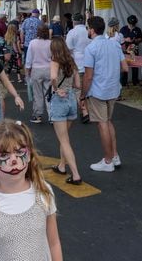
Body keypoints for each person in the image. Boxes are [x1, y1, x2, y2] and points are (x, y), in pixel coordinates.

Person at [0, 119, 62, 261]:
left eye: (19, 152)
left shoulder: (44, 192)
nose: (14, 160)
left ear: (28, 155)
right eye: (4, 155)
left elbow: (54, 243)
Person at [82, 16, 127, 172]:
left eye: (88, 28)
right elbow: (125, 67)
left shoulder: (91, 48)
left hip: (98, 90)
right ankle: (114, 156)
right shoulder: (114, 44)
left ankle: (108, 161)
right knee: (107, 121)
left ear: (92, 30)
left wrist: (82, 94)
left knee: (102, 124)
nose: (88, 30)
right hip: (113, 89)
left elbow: (88, 76)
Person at [48, 37, 83, 184]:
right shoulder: (72, 62)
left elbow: (53, 77)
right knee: (65, 137)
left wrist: (56, 89)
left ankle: (76, 175)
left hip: (60, 101)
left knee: (64, 140)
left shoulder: (55, 61)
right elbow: (77, 84)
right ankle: (62, 166)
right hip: (71, 100)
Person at [25, 25, 52, 124]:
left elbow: (29, 59)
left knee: (37, 94)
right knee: (49, 93)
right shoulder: (51, 43)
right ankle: (52, 115)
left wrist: (27, 72)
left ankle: (38, 115)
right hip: (49, 69)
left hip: (36, 69)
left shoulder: (33, 43)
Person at [66, 13, 91, 123]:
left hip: (78, 65)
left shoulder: (72, 32)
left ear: (73, 21)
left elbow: (68, 49)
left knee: (78, 90)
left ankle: (85, 111)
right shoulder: (88, 31)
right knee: (89, 89)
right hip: (90, 64)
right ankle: (90, 111)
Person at [120, 15, 142, 86]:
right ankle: (124, 83)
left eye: (133, 24)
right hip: (124, 51)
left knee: (135, 66)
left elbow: (141, 39)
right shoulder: (123, 29)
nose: (132, 25)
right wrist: (126, 39)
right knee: (124, 66)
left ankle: (135, 81)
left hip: (134, 50)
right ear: (128, 22)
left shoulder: (138, 30)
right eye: (131, 24)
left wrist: (135, 40)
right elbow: (119, 39)